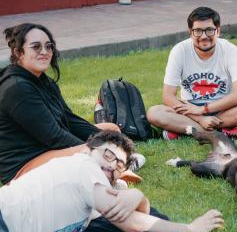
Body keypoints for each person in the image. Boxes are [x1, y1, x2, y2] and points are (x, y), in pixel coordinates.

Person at [0, 130, 224, 232]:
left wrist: (139, 196)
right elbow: (130, 223)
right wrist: (190, 228)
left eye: (119, 165)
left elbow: (136, 215)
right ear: (89, 150)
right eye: (108, 155)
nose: (112, 166)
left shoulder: (90, 196)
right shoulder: (83, 166)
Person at [0, 23, 142, 185]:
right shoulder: (17, 88)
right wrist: (101, 149)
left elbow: (71, 120)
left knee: (112, 130)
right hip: (24, 168)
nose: (45, 52)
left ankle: (114, 164)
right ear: (19, 52)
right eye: (36, 47)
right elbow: (55, 137)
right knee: (87, 151)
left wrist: (109, 140)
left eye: (48, 46)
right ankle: (117, 170)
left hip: (50, 151)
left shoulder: (43, 81)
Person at [147, 6, 237, 141]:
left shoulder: (231, 51)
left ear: (218, 31)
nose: (204, 36)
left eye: (209, 30)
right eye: (198, 31)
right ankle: (221, 132)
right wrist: (199, 118)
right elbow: (168, 96)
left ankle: (184, 129)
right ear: (190, 32)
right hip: (189, 109)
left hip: (223, 108)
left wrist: (203, 110)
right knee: (154, 113)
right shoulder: (179, 51)